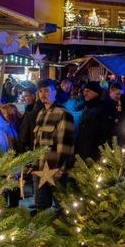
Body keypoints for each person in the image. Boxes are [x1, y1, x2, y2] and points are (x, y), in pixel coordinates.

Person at [32, 79, 75, 210]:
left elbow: (65, 143)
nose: (43, 94)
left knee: (62, 207)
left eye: (46, 90)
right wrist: (33, 164)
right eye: (40, 91)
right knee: (41, 207)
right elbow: (37, 143)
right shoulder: (40, 113)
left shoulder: (63, 114)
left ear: (54, 92)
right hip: (40, 169)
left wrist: (60, 168)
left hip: (55, 170)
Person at [75, 81, 116, 161]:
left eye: (88, 91)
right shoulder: (87, 107)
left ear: (96, 93)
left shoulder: (103, 110)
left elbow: (105, 134)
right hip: (82, 152)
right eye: (84, 91)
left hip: (94, 154)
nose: (85, 93)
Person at [0, 103, 22, 208]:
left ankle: (13, 208)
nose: (2, 115)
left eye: (4, 113)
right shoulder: (4, 127)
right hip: (6, 161)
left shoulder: (12, 127)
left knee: (12, 186)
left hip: (12, 162)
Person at [18, 85, 42, 153]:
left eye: (26, 96)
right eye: (23, 97)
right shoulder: (29, 107)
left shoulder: (37, 108)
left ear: (34, 96)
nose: (23, 99)